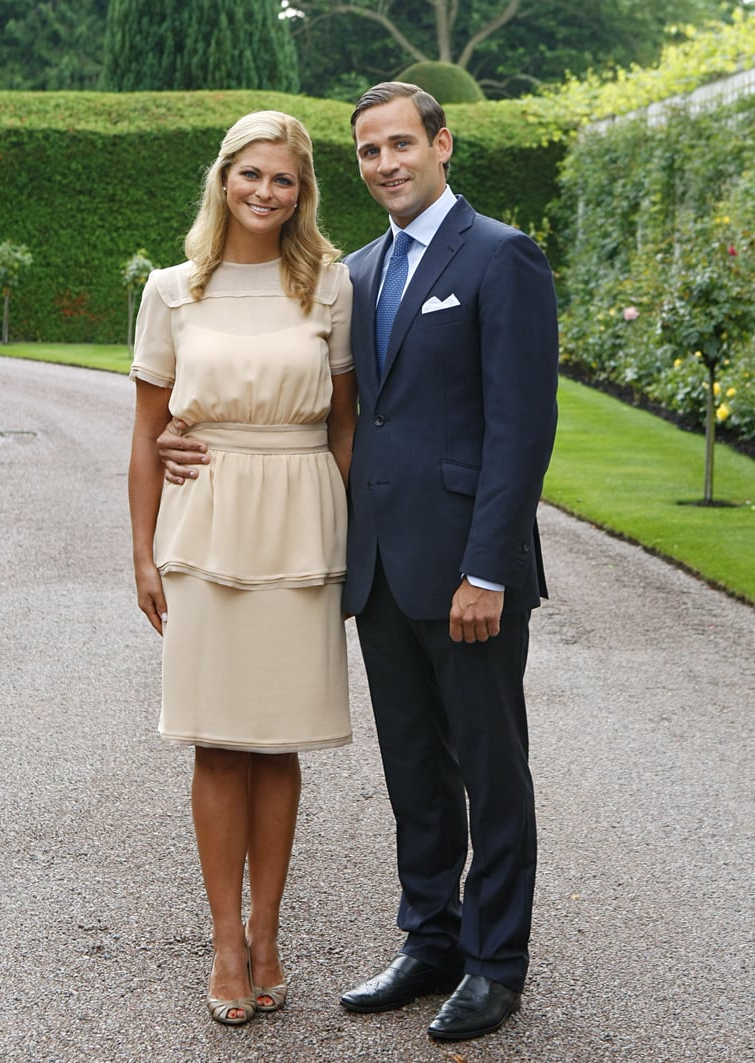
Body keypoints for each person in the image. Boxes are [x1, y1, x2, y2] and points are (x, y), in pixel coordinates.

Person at [157, 82, 559, 1044]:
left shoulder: (503, 256)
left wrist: (490, 569)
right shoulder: (357, 273)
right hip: (374, 565)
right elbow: (336, 413)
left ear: (442, 144)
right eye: (369, 151)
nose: (386, 163)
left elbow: (521, 428)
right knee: (414, 770)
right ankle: (430, 937)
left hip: (469, 572)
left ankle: (495, 963)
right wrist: (189, 434)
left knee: (491, 766)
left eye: (400, 145)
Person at [127, 110, 357, 1028]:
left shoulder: (331, 286)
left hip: (300, 525)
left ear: (302, 194)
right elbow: (146, 437)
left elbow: (344, 423)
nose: (266, 191)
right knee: (218, 737)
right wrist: (142, 552)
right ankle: (226, 939)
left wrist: (327, 516)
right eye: (251, 174)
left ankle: (270, 932)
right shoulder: (173, 289)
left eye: (285, 180)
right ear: (223, 178)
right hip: (205, 522)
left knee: (278, 737)